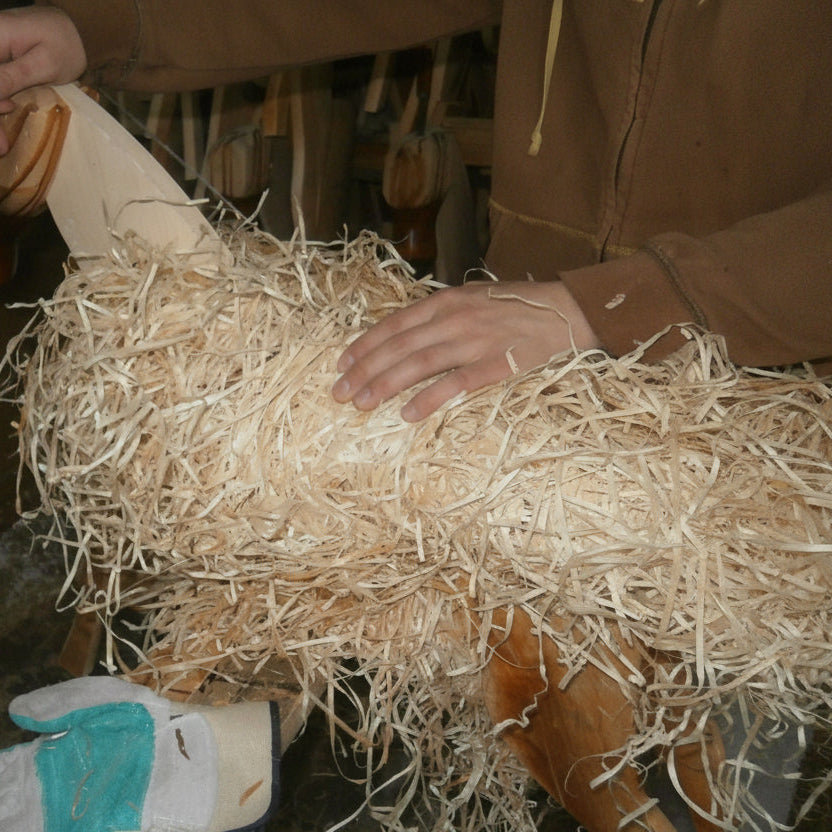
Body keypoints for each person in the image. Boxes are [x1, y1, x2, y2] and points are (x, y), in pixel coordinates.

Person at [0, 2, 829, 830]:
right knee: (539, 736)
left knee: (704, 777)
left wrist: (614, 308)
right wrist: (104, 29)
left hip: (752, 424)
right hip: (517, 411)